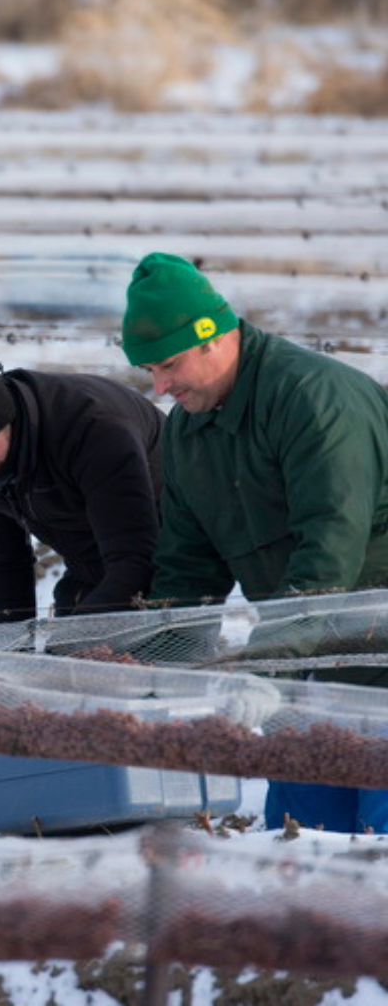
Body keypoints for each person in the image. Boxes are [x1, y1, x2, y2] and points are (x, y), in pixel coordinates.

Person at [121, 250, 388, 833]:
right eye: (150, 373)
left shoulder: (314, 400)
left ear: (212, 336)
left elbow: (329, 553)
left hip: (378, 664)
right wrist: (155, 677)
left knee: (377, 861)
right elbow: (188, 574)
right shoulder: (190, 436)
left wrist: (270, 671)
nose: (161, 387)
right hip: (313, 672)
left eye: (168, 365)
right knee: (301, 849)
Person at [0, 353, 166, 626]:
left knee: (132, 653)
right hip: (89, 564)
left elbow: (136, 557)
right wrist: (6, 656)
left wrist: (78, 640)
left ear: (7, 419)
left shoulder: (94, 430)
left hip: (170, 562)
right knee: (53, 657)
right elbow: (0, 562)